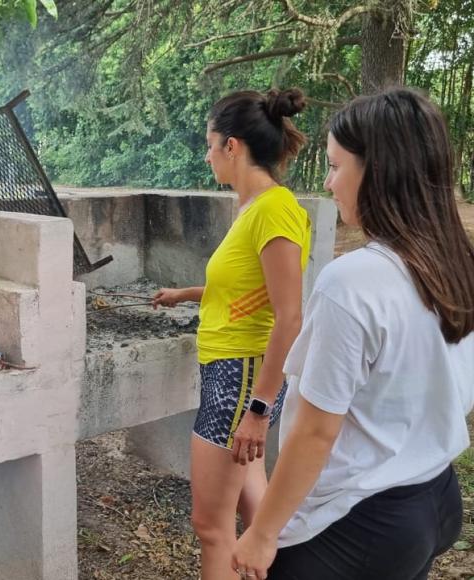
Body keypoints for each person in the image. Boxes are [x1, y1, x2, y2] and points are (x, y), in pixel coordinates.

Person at [231, 87, 474, 580]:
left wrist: (262, 533)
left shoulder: (354, 281)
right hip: (435, 494)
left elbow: (317, 432)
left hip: (359, 519)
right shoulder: (456, 262)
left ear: (378, 172)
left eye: (336, 165)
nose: (327, 182)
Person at [152, 89, 311, 579]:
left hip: (242, 378)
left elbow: (290, 317)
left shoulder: (274, 209)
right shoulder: (253, 208)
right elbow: (247, 289)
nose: (206, 156)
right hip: (235, 371)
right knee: (251, 507)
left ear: (233, 147)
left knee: (211, 525)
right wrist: (186, 294)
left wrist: (258, 411)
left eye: (210, 144)